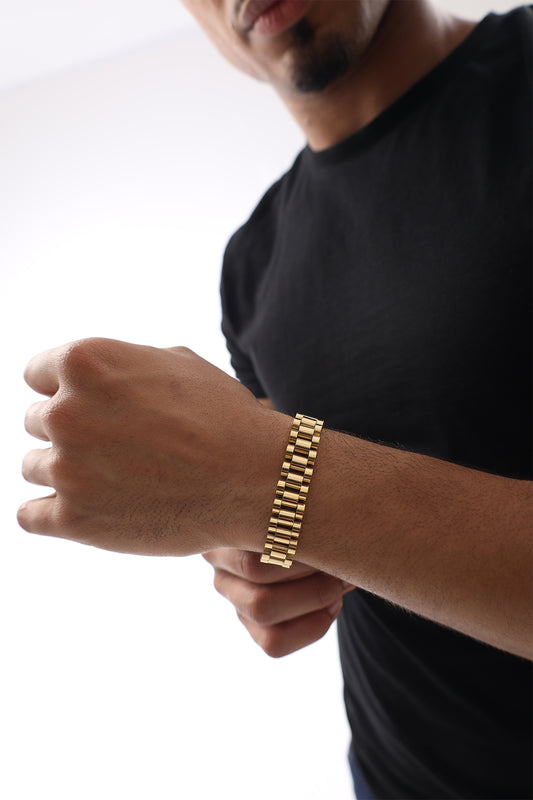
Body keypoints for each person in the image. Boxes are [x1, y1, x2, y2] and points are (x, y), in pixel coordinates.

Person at [18, 1, 532, 797]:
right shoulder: (254, 261)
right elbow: (293, 509)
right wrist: (254, 555)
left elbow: (285, 476)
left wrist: (268, 476)